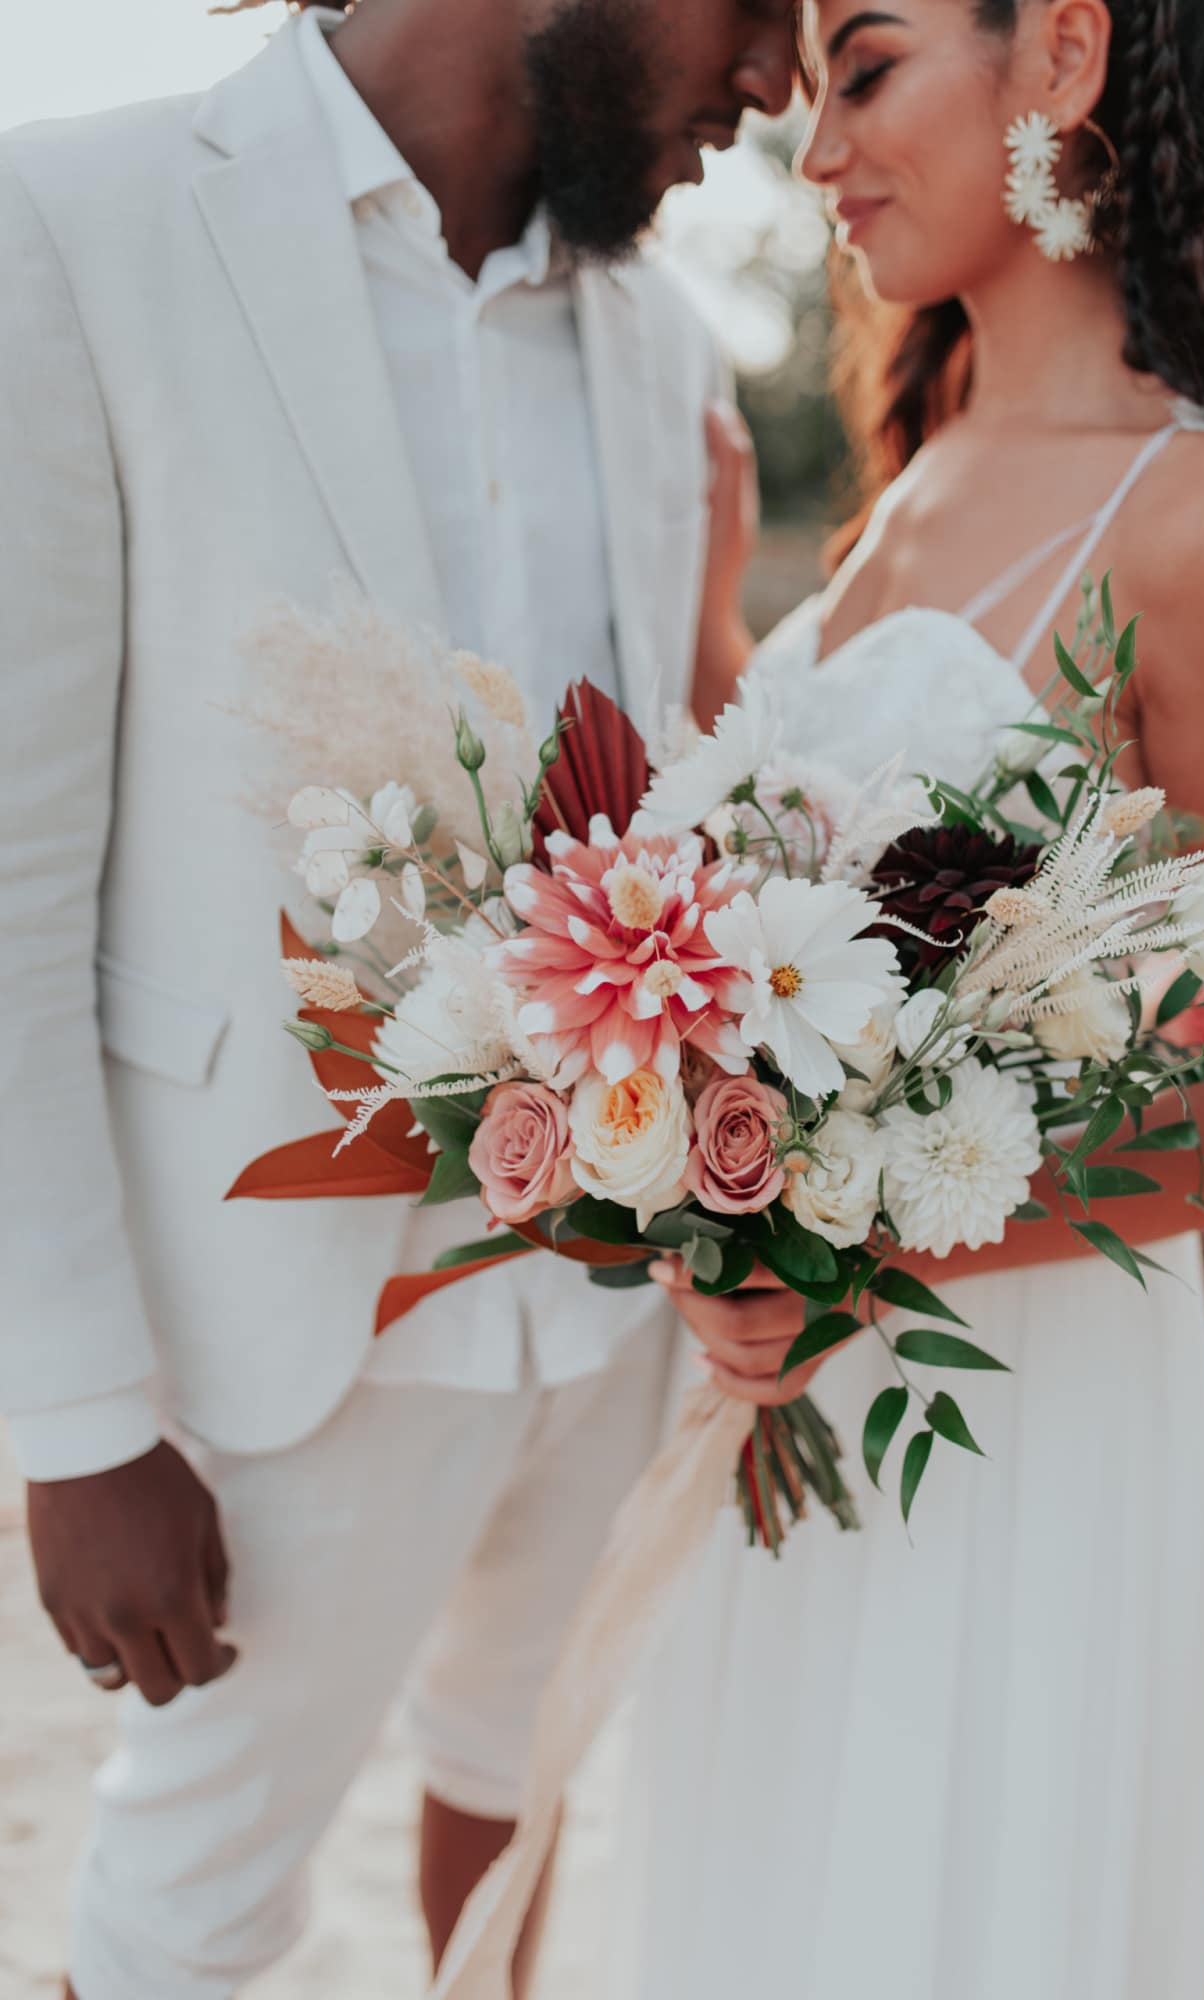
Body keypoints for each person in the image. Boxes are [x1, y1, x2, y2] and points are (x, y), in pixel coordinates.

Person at [0, 1, 795, 1993]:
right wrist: (78, 1417)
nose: (779, 76)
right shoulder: (76, 225)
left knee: (513, 1803)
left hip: (604, 1297)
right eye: (758, 5)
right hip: (274, 1318)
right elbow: (11, 879)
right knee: (187, 1911)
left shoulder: (658, 337)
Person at [610, 0, 1204, 1994]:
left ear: (1064, 56)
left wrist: (838, 1236)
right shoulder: (911, 483)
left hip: (1016, 1418)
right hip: (796, 1407)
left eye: (865, 67)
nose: (811, 142)